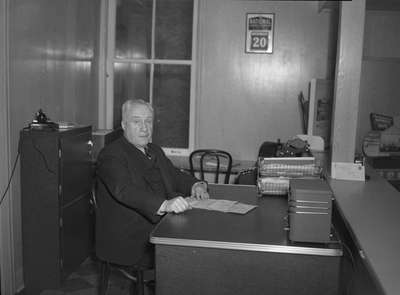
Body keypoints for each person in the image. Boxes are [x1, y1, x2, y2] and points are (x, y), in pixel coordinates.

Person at [95, 99, 209, 268]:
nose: (144, 128)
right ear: (124, 125)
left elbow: (174, 175)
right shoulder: (111, 155)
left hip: (161, 225)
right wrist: (165, 204)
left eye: (148, 121)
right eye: (136, 121)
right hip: (131, 237)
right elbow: (124, 190)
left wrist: (196, 185)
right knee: (190, 257)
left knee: (200, 237)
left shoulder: (154, 150)